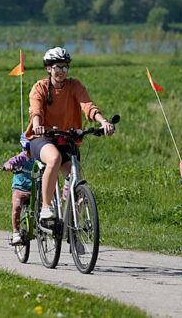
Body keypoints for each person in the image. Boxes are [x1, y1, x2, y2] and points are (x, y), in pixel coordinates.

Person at [24, 47, 115, 223]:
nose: (61, 71)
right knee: (54, 158)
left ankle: (74, 230)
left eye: (65, 67)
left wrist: (103, 122)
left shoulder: (75, 86)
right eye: (57, 67)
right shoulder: (40, 87)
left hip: (66, 138)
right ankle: (46, 208)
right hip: (42, 138)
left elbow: (88, 105)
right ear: (48, 68)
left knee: (75, 178)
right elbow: (36, 110)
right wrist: (37, 126)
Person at [0, 134, 36, 245]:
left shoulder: (38, 159)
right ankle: (16, 232)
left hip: (35, 189)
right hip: (20, 189)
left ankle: (40, 223)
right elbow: (10, 162)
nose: (29, 153)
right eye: (28, 150)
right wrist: (8, 166)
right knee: (16, 206)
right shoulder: (21, 158)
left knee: (45, 203)